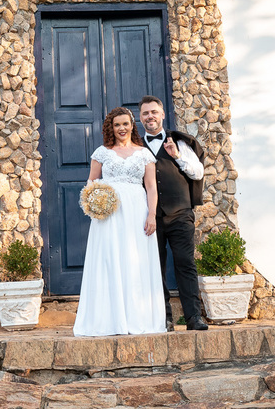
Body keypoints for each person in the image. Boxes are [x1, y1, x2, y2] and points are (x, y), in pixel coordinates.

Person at [72, 107, 167, 336]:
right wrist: (96, 205)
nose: (122, 128)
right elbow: (91, 184)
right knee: (109, 258)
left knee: (136, 260)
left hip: (137, 211)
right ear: (111, 128)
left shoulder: (144, 154)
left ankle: (138, 316)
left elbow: (152, 187)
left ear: (132, 125)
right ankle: (109, 319)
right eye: (117, 125)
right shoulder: (102, 153)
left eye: (125, 124)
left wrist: (152, 214)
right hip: (110, 215)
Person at [138, 94, 208, 331]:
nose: (150, 116)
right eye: (145, 113)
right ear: (140, 117)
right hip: (150, 218)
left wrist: (177, 156)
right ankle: (163, 318)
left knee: (185, 264)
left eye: (154, 112)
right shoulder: (136, 147)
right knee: (155, 267)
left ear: (163, 114)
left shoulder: (179, 142)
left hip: (180, 213)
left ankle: (193, 318)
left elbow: (197, 173)